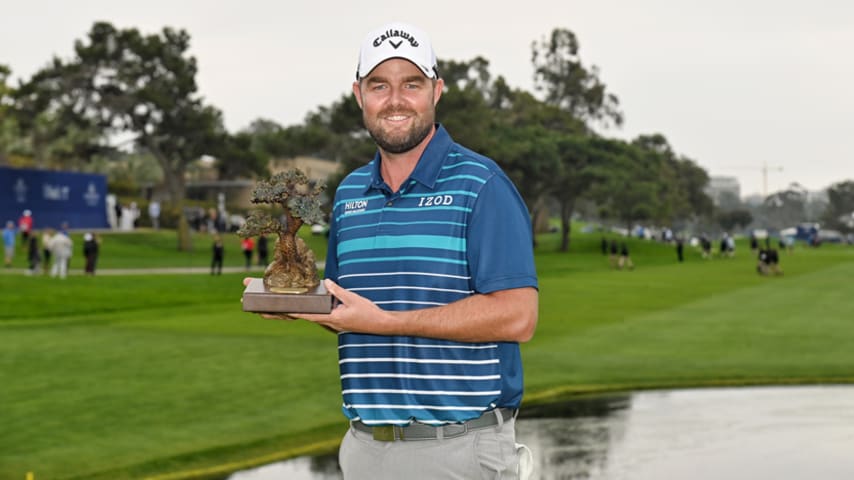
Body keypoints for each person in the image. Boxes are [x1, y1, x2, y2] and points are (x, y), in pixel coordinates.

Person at [247, 22, 538, 479]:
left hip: (458, 447)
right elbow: (350, 310)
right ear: (359, 95)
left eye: (412, 84)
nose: (396, 100)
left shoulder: (481, 184)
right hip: (364, 448)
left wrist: (388, 324)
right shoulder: (349, 194)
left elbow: (519, 317)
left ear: (436, 91)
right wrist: (297, 305)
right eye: (380, 85)